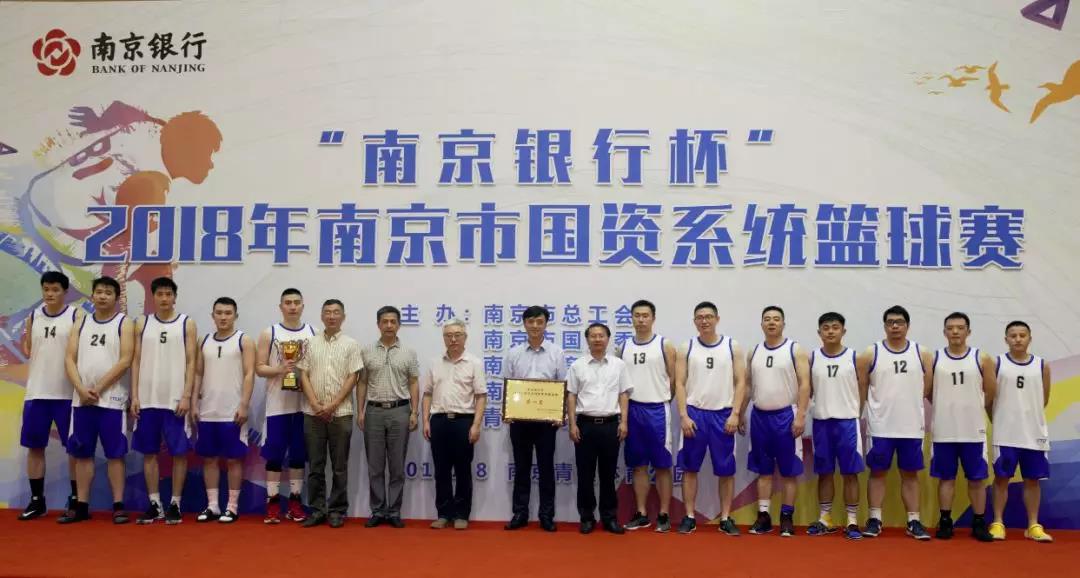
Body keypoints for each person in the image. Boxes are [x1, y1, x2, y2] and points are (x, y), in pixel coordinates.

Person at [60, 276, 134, 524]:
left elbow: (125, 360)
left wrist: (99, 388)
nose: (102, 296)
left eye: (108, 293)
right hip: (82, 400)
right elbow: (69, 359)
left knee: (115, 454)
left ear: (116, 298)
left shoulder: (124, 323)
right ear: (92, 295)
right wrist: (81, 389)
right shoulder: (80, 323)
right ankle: (81, 505)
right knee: (82, 453)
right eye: (99, 292)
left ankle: (118, 506)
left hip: (111, 399)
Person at [858, 305, 933, 540]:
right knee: (877, 473)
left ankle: (913, 521)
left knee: (910, 474)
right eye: (890, 322)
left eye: (899, 322)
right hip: (880, 426)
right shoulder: (871, 353)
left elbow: (927, 388)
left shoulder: (922, 353)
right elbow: (862, 389)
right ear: (884, 326)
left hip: (911, 427)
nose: (895, 326)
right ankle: (874, 519)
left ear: (907, 326)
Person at [673, 301, 747, 535]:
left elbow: (741, 382)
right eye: (700, 317)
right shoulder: (687, 347)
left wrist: (736, 413)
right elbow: (679, 383)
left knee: (726, 470)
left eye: (708, 316)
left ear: (717, 319)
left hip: (723, 415)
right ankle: (689, 516)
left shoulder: (732, 346)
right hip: (694, 414)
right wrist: (683, 415)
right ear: (694, 321)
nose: (704, 321)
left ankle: (725, 517)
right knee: (689, 468)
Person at [131, 277, 197, 525]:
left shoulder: (186, 323)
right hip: (147, 399)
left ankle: (175, 504)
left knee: (179, 453)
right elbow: (135, 361)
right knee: (149, 453)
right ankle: (155, 504)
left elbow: (191, 362)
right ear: (153, 296)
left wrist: (186, 395)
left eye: (169, 294)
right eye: (160, 294)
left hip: (175, 400)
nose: (164, 298)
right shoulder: (142, 323)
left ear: (175, 297)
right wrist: (135, 395)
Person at [18, 271, 81, 520]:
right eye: (46, 289)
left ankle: (76, 499)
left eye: (55, 289)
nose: (50, 294)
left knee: (74, 449)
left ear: (65, 292)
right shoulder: (33, 316)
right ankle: (37, 501)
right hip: (36, 393)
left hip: (67, 394)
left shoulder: (76, 316)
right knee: (34, 447)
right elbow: (29, 349)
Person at [928, 312, 996, 541]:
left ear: (968, 331)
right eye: (950, 328)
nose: (955, 331)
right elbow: (928, 391)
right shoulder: (935, 359)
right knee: (946, 478)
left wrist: (973, 408)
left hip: (973, 430)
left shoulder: (981, 358)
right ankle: (945, 521)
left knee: (976, 479)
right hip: (944, 430)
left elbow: (990, 391)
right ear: (944, 332)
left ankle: (979, 522)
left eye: (960, 327)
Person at [744, 305, 810, 537]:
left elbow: (805, 384)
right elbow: (748, 385)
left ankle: (786, 517)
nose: (771, 322)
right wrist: (740, 412)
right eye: (767, 319)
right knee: (763, 471)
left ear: (783, 323)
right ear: (761, 324)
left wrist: (800, 416)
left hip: (786, 416)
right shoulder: (754, 351)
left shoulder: (794, 349)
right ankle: (763, 517)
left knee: (788, 472)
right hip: (759, 417)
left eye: (776, 319)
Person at [298, 300, 363, 529]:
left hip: (341, 413)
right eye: (327, 312)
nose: (332, 316)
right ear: (321, 316)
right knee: (315, 466)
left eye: (336, 312)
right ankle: (317, 510)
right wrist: (316, 404)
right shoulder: (310, 343)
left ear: (343, 317)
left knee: (339, 466)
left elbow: (353, 377)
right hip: (312, 413)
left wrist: (332, 405)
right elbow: (303, 374)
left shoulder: (351, 344)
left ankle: (336, 510)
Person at [989, 321, 1053, 542]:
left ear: (1029, 338)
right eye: (1013, 335)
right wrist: (999, 419)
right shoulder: (997, 364)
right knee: (1001, 478)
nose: (1018, 339)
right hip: (1005, 433)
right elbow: (990, 399)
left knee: (1032, 480)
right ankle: (998, 523)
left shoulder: (1042, 365)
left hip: (1033, 433)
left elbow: (1043, 399)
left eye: (1022, 335)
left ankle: (1033, 525)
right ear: (1006, 339)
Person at [192, 297, 254, 524]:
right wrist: (194, 402)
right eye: (219, 313)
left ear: (235, 316)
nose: (223, 317)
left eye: (228, 313)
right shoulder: (204, 340)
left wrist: (244, 404)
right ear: (213, 315)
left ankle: (232, 507)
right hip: (208, 411)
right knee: (209, 459)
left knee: (234, 460)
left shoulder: (244, 340)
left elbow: (249, 373)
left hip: (233, 411)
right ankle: (213, 506)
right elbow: (198, 373)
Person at [504, 305, 566, 532]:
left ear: (546, 324)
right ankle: (520, 513)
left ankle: (546, 516)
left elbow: (563, 385)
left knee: (546, 468)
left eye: (539, 321)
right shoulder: (514, 353)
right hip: (520, 421)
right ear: (524, 324)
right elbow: (508, 386)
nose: (535, 326)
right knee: (521, 468)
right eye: (530, 321)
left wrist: (560, 414)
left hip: (547, 422)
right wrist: (508, 410)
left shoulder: (556, 353)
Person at [255, 288, 314, 524]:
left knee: (299, 455)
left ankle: (295, 504)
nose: (292, 306)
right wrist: (280, 369)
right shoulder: (269, 332)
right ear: (281, 307)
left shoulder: (313, 332)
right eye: (288, 302)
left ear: (302, 306)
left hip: (304, 405)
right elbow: (259, 368)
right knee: (275, 456)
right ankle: (272, 505)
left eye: (296, 302)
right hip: (277, 406)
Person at [422, 319, 487, 530]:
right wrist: (425, 420)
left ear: (465, 337)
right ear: (443, 338)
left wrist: (476, 425)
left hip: (463, 421)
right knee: (441, 470)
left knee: (462, 470)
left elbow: (481, 396)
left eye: (458, 335)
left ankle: (461, 514)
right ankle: (443, 513)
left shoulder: (474, 363)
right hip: (439, 421)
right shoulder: (434, 363)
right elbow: (427, 393)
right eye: (448, 335)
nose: (453, 339)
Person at [358, 305, 420, 528]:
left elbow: (413, 382)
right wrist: (361, 410)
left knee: (396, 465)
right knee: (375, 466)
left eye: (393, 321)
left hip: (400, 411)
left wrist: (414, 411)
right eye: (384, 321)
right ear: (378, 325)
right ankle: (377, 510)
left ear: (399, 325)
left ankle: (394, 511)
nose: (389, 325)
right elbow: (362, 382)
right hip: (373, 411)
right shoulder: (366, 351)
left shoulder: (409, 352)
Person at [568, 323, 631, 535]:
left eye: (601, 335)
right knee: (585, 475)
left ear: (608, 339)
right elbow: (571, 396)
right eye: (593, 336)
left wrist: (624, 421)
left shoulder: (618, 365)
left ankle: (609, 517)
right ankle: (586, 517)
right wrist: (572, 424)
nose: (597, 339)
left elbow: (623, 394)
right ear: (587, 340)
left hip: (611, 425)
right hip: (584, 425)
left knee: (608, 475)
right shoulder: (577, 365)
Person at [619, 299, 677, 532]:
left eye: (645, 315)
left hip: (657, 410)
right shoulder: (623, 347)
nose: (641, 319)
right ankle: (642, 513)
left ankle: (663, 514)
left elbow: (674, 379)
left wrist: (663, 399)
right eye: (637, 315)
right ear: (631, 318)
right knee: (638, 465)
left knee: (662, 465)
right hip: (632, 410)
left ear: (653, 318)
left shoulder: (664, 344)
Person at [807, 312, 865, 540]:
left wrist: (855, 413)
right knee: (825, 473)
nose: (830, 331)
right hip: (822, 423)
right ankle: (825, 518)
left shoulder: (854, 358)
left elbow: (863, 389)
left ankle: (852, 521)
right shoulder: (812, 358)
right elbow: (807, 390)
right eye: (826, 327)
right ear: (819, 332)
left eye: (835, 327)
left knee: (850, 473)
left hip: (847, 423)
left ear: (843, 331)